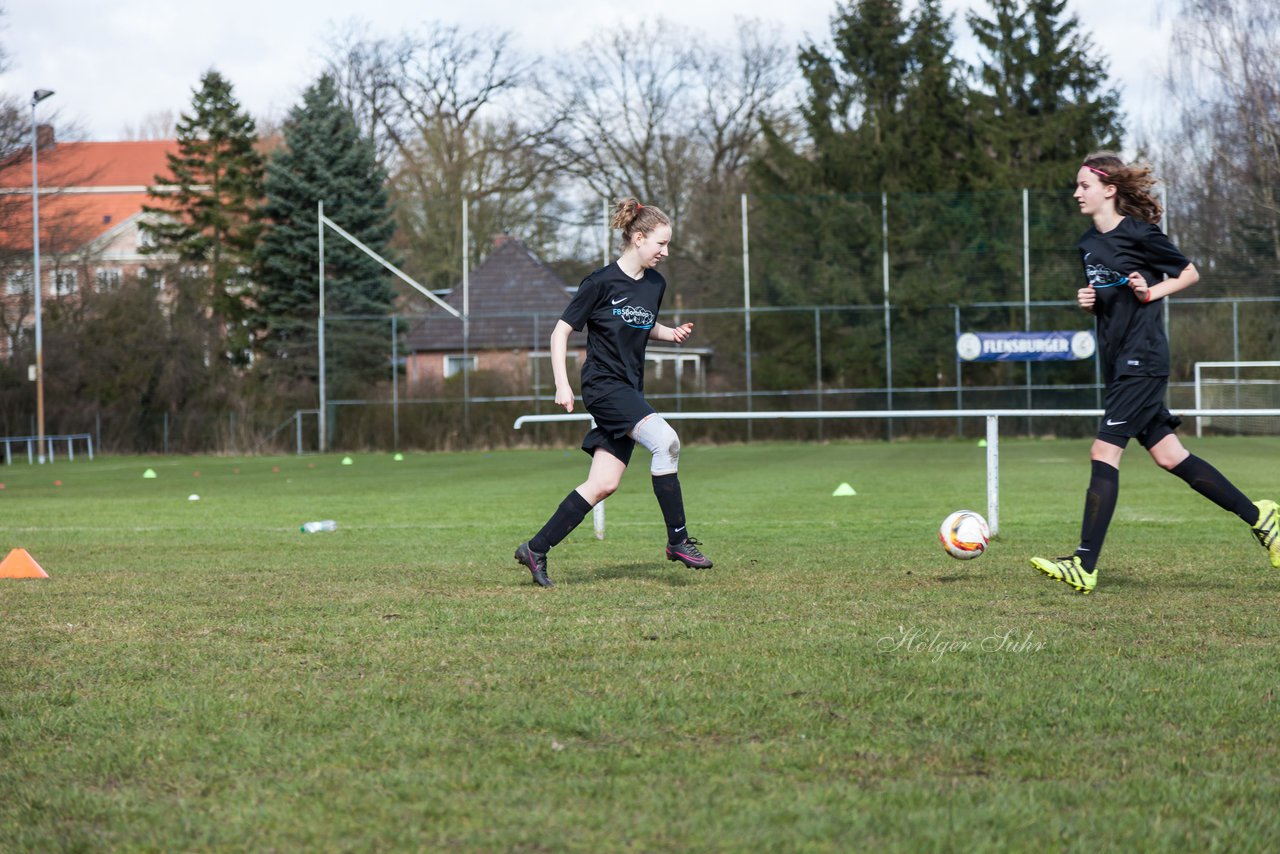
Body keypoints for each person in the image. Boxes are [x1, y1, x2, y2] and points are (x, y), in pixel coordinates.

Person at [1030, 151, 1280, 594]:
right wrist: (1092, 302)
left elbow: (1188, 272)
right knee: (1170, 457)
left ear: (1109, 189)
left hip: (1141, 360)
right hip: (1118, 361)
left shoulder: (1140, 234)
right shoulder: (1087, 244)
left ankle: (1084, 564)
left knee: (1103, 452)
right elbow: (1110, 300)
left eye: (1084, 185)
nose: (1076, 193)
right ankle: (1262, 518)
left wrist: (1151, 290)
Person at [513, 199, 712, 588]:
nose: (665, 253)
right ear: (638, 239)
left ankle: (534, 549)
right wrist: (562, 383)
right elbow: (560, 332)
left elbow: (641, 323)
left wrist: (668, 333)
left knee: (603, 483)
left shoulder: (656, 284)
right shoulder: (600, 282)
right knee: (666, 442)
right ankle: (678, 540)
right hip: (603, 387)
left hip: (629, 388)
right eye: (661, 244)